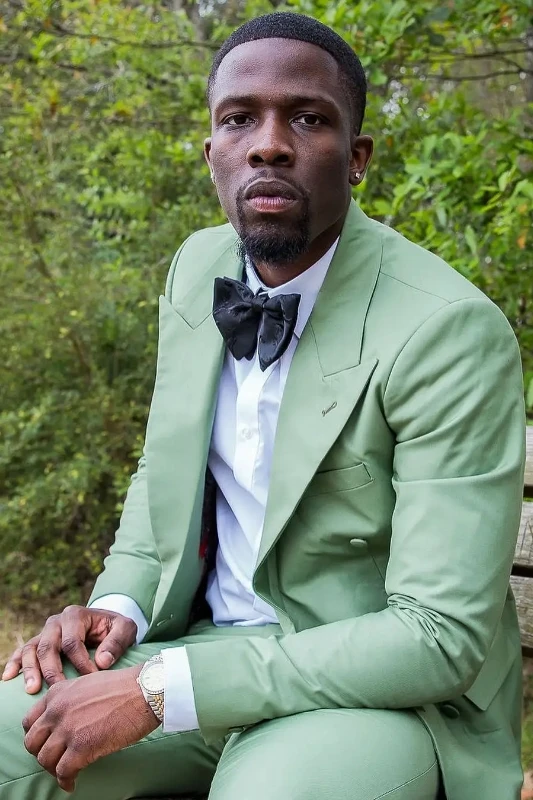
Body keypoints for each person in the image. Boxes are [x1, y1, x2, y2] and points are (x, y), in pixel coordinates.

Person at [0, 11, 526, 800]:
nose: (269, 144)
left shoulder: (446, 330)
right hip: (198, 649)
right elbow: (163, 475)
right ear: (211, 151)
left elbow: (436, 637)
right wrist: (118, 606)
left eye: (307, 119)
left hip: (382, 698)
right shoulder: (196, 268)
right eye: (239, 118)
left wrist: (161, 691)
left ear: (356, 158)